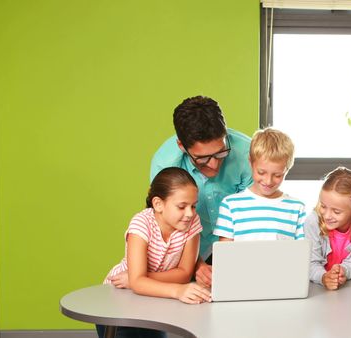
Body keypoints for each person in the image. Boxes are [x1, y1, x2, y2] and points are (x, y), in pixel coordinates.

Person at [150, 96, 252, 287]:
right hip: (184, 253)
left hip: (238, 247)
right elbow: (166, 225)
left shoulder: (249, 155)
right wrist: (195, 264)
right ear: (182, 146)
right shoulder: (164, 165)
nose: (214, 165)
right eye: (203, 158)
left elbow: (253, 216)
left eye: (221, 152)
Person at [98, 167, 211, 338]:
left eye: (193, 206)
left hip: (154, 298)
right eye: (182, 207)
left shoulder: (192, 223)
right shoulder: (141, 223)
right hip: (120, 297)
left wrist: (138, 280)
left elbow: (184, 274)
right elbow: (137, 283)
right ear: (158, 204)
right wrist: (177, 291)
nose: (189, 213)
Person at [213, 127, 305, 241]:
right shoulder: (230, 205)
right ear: (250, 162)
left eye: (277, 175)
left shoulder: (297, 208)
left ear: (287, 169)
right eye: (261, 172)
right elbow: (225, 254)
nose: (268, 181)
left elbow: (301, 253)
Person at [305, 167, 351, 290]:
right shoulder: (313, 222)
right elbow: (311, 263)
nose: (327, 215)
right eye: (323, 206)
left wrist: (343, 271)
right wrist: (324, 277)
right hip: (316, 288)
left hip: (346, 290)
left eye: (336, 211)